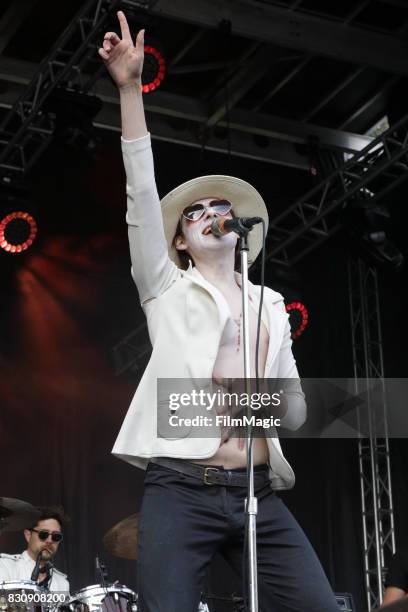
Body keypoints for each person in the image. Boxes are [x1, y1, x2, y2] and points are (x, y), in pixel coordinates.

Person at [99, 11, 339, 611]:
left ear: (240, 229)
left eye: (219, 207)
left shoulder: (271, 303)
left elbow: (299, 410)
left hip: (259, 488)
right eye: (194, 211)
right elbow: (140, 192)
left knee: (319, 604)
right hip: (183, 487)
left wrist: (243, 393)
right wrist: (130, 91)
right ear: (179, 239)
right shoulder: (165, 286)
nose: (210, 213)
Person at [0, 507, 69, 592]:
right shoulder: (5, 567)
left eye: (56, 536)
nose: (49, 540)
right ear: (28, 535)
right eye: (43, 534)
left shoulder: (62, 583)